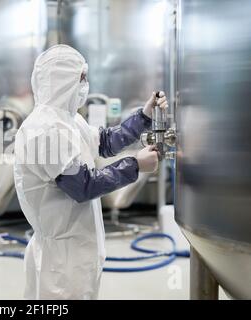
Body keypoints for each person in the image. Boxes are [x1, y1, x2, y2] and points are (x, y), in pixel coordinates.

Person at [13, 44, 168, 300]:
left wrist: (144, 115)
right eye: (81, 78)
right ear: (62, 80)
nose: (85, 85)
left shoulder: (69, 120)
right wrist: (136, 165)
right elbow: (83, 186)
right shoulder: (47, 129)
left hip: (76, 248)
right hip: (61, 260)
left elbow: (104, 142)